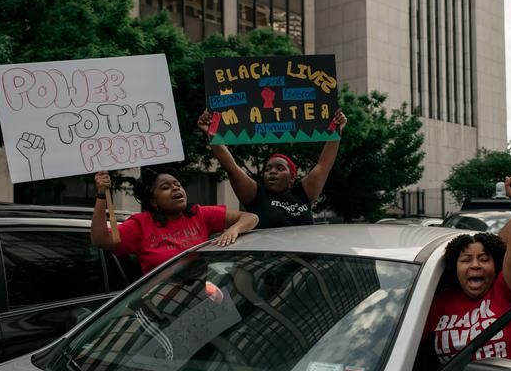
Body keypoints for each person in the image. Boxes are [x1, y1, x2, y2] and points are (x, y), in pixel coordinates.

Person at [422, 176, 511, 365]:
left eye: (484, 259)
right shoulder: (437, 302)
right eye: (466, 259)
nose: (475, 265)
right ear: (454, 267)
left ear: (495, 265)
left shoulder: (507, 293)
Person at [197, 109, 347, 229]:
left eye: (280, 168)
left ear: (292, 177)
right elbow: (231, 167)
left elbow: (323, 165)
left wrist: (336, 130)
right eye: (268, 169)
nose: (272, 171)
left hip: (303, 264)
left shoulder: (303, 194)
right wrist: (211, 133)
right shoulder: (256, 195)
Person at [91, 168, 259, 274]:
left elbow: (251, 217)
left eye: (177, 184)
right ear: (153, 201)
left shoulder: (198, 214)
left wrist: (234, 229)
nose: (176, 188)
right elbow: (100, 239)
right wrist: (101, 195)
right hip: (161, 310)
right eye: (165, 187)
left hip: (201, 303)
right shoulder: (140, 224)